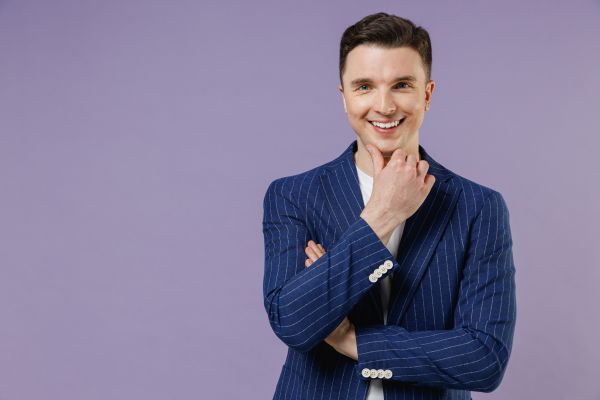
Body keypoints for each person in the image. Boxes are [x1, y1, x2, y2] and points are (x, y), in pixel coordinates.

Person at [262, 12, 516, 400]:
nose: (384, 105)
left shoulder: (478, 207)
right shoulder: (293, 196)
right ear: (344, 96)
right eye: (364, 86)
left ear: (427, 94)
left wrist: (352, 341)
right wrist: (383, 215)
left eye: (401, 85)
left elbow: (484, 359)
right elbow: (293, 323)